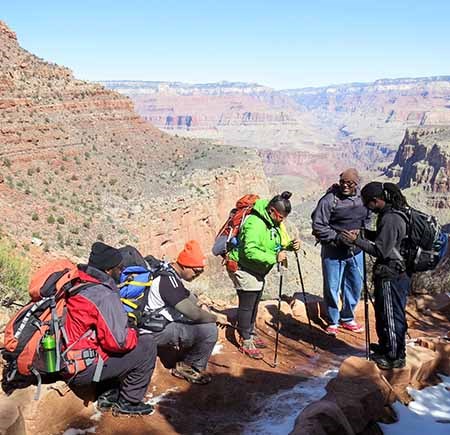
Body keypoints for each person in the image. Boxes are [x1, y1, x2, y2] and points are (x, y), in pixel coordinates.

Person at [67, 241, 157, 415]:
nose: (121, 272)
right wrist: (133, 331)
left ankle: (107, 395)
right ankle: (128, 403)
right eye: (119, 268)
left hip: (66, 358)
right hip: (82, 370)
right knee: (146, 345)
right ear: (109, 270)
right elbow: (119, 343)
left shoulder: (77, 282)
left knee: (104, 341)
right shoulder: (103, 294)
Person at [341, 182, 411, 370]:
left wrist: (357, 241)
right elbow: (384, 239)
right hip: (392, 273)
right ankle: (386, 347)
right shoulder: (389, 214)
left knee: (391, 314)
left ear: (376, 200)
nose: (367, 207)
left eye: (368, 203)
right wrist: (365, 234)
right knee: (384, 312)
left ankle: (395, 357)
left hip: (392, 274)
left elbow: (381, 250)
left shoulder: (390, 218)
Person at [227, 191, 300, 359]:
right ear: (272, 211)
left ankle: (249, 332)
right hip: (243, 267)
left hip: (256, 269)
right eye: (281, 217)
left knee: (255, 300)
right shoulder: (254, 223)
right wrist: (274, 258)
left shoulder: (271, 222)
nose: (282, 221)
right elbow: (250, 251)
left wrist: (290, 245)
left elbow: (273, 244)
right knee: (247, 303)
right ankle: (245, 339)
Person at [140, 240, 219, 384]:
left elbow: (187, 296)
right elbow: (193, 314)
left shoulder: (170, 274)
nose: (198, 275)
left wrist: (199, 303)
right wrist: (215, 317)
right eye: (197, 271)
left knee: (199, 321)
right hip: (154, 330)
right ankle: (188, 367)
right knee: (209, 330)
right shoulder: (168, 281)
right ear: (185, 265)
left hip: (155, 323)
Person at [311, 168, 370, 336]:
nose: (345, 186)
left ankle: (347, 318)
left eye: (349, 183)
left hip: (356, 251)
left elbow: (368, 218)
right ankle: (333, 320)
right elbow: (318, 226)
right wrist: (337, 237)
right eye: (342, 182)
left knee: (355, 285)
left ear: (356, 184)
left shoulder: (363, 199)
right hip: (333, 252)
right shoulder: (329, 200)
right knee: (332, 286)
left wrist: (360, 232)